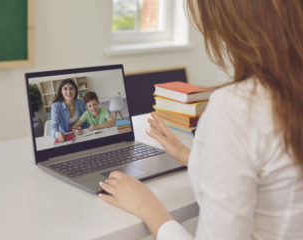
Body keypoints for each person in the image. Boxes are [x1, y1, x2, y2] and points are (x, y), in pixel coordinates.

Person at [98, 1, 303, 239]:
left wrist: (148, 207)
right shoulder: (286, 94)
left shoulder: (236, 108)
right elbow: (276, 172)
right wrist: (190, 156)